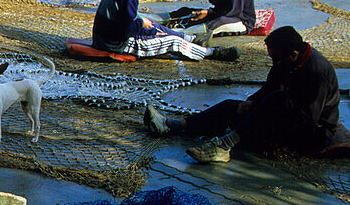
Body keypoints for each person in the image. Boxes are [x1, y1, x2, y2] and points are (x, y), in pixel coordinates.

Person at [143, 26, 340, 163]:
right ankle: (171, 126)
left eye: (275, 58)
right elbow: (269, 87)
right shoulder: (285, 62)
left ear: (293, 55)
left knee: (275, 101)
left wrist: (262, 117)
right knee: (231, 106)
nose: (274, 63)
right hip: (284, 114)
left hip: (312, 132)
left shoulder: (317, 72)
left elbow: (307, 119)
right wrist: (251, 102)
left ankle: (224, 145)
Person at [92, 0, 239, 61]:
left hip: (106, 36)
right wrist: (150, 32)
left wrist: (145, 26)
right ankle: (212, 53)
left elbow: (126, 21)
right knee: (173, 42)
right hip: (114, 44)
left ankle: (191, 38)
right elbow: (126, 31)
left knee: (152, 24)